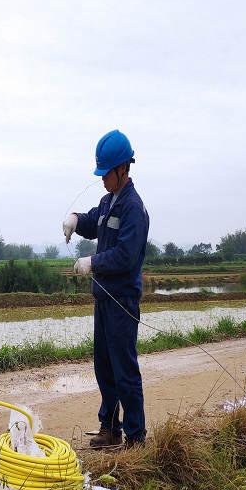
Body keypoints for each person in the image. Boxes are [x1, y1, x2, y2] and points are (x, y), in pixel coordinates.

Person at [62, 129, 149, 449]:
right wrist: (74, 220)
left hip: (123, 300)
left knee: (124, 369)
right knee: (104, 366)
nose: (102, 179)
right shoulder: (108, 201)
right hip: (104, 298)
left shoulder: (133, 209)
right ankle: (110, 428)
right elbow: (93, 221)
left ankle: (136, 437)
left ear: (123, 169)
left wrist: (92, 263)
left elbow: (126, 255)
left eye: (105, 173)